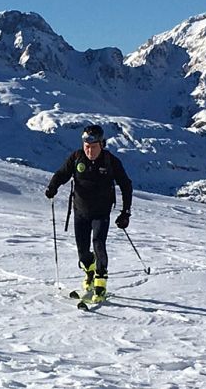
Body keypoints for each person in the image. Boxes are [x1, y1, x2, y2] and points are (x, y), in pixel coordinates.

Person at [44, 124, 132, 302]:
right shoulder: (77, 158)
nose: (89, 150)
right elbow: (62, 174)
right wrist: (53, 187)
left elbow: (126, 185)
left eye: (93, 147)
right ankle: (90, 273)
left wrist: (125, 212)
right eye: (86, 146)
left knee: (98, 243)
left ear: (101, 144)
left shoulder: (110, 161)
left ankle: (100, 283)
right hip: (81, 212)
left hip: (101, 212)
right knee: (83, 251)